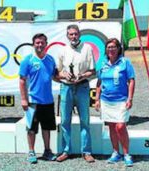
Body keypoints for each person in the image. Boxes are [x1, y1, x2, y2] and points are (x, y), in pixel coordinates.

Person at [56, 24, 95, 163]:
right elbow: (57, 73)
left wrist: (82, 76)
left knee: (85, 120)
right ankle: (66, 150)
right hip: (66, 88)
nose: (73, 36)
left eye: (75, 34)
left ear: (79, 34)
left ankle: (86, 151)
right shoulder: (62, 50)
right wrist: (64, 74)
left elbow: (92, 70)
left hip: (82, 87)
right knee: (65, 120)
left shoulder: (87, 48)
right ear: (67, 36)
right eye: (71, 34)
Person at [95, 38, 135, 167]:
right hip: (106, 101)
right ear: (106, 50)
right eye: (108, 47)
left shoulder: (125, 62)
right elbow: (99, 82)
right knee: (111, 127)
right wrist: (97, 99)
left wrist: (130, 98)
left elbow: (131, 81)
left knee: (120, 126)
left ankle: (127, 154)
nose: (111, 49)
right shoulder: (103, 63)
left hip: (121, 101)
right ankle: (116, 152)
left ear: (118, 49)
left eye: (113, 47)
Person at [19, 33, 58, 164]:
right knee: (31, 129)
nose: (40, 45)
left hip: (48, 100)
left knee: (46, 128)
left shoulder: (51, 60)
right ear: (33, 44)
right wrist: (24, 99)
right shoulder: (27, 60)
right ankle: (31, 151)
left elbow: (55, 76)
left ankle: (47, 150)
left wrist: (66, 77)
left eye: (42, 42)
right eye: (37, 43)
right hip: (32, 101)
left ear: (46, 44)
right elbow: (22, 81)